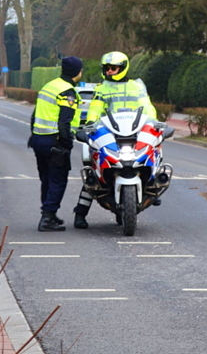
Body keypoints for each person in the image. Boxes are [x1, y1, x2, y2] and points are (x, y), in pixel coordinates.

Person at [72, 51, 157, 229]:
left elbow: (147, 106)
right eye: (107, 68)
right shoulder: (102, 88)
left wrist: (153, 123)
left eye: (113, 68)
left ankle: (153, 186)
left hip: (133, 130)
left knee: (151, 151)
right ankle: (80, 213)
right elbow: (95, 108)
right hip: (109, 132)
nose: (110, 71)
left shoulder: (136, 87)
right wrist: (89, 124)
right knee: (93, 171)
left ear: (123, 68)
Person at [28, 56, 84, 232]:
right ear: (77, 72)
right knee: (58, 180)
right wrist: (67, 144)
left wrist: (34, 135)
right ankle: (47, 219)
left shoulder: (50, 86)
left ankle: (49, 213)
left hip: (39, 139)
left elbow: (35, 114)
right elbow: (64, 122)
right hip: (55, 142)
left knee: (46, 179)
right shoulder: (68, 92)